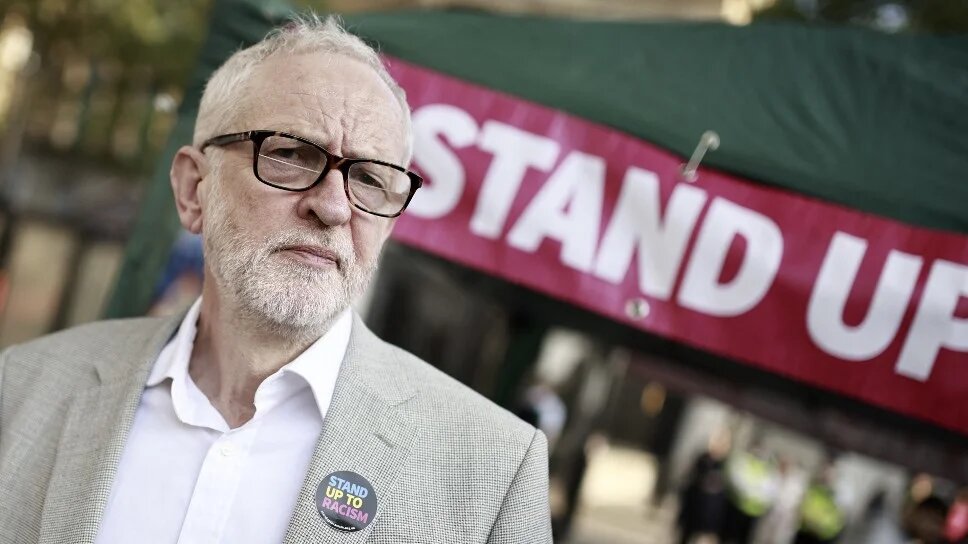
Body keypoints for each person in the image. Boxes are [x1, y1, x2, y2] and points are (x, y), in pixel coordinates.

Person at [0, 15, 551, 544]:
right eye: (290, 154)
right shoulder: (23, 387)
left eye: (370, 179)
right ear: (194, 190)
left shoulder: (491, 469)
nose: (334, 207)